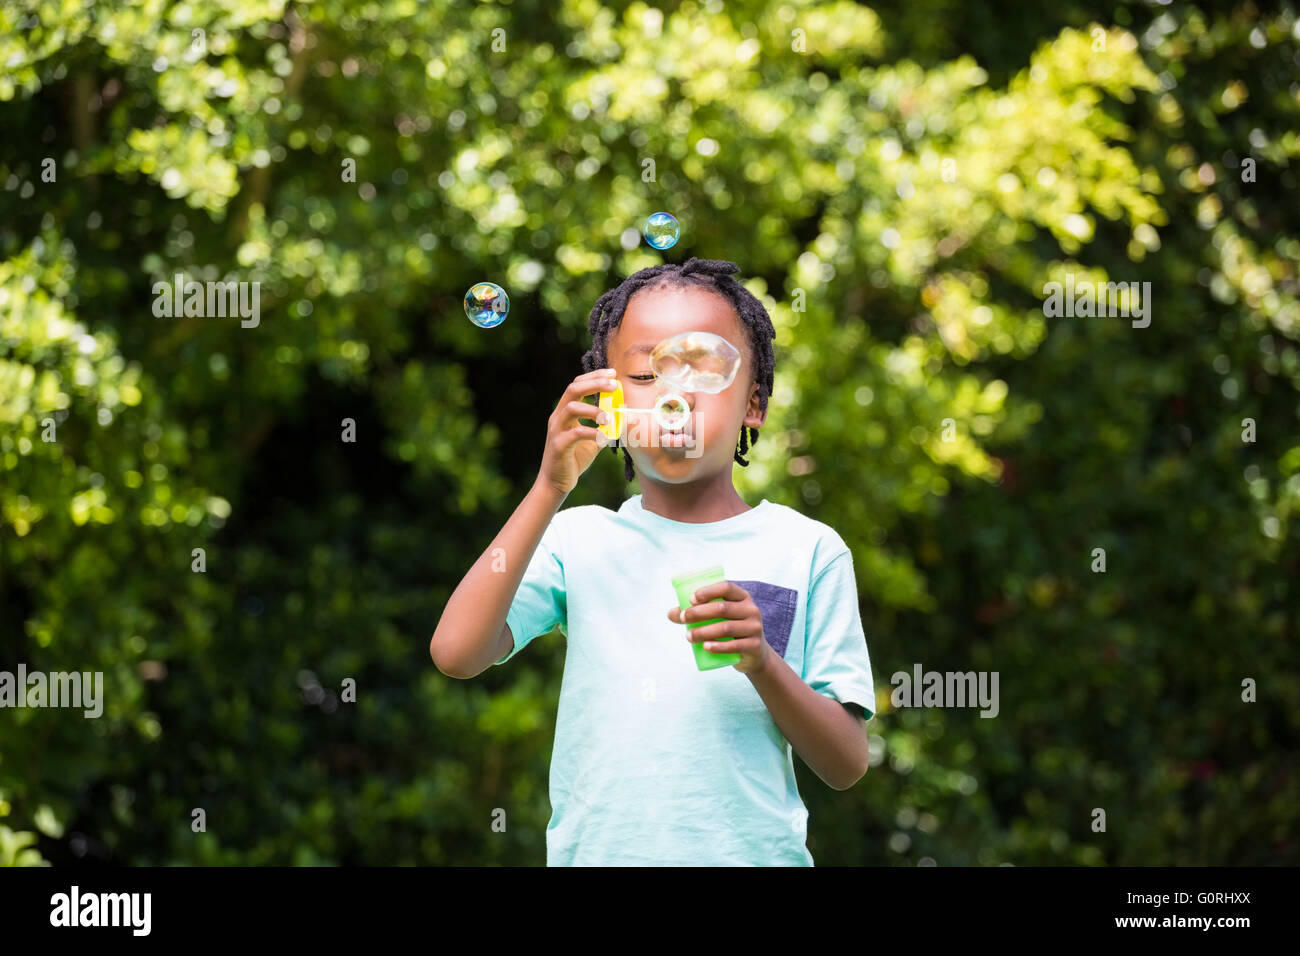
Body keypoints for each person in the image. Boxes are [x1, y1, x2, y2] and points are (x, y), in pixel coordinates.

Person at [430, 257, 875, 865]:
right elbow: (456, 653)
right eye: (645, 373)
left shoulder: (808, 549)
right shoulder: (577, 538)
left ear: (754, 403)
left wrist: (762, 664)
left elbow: (846, 764)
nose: (674, 395)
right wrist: (548, 486)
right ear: (608, 403)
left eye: (705, 369)